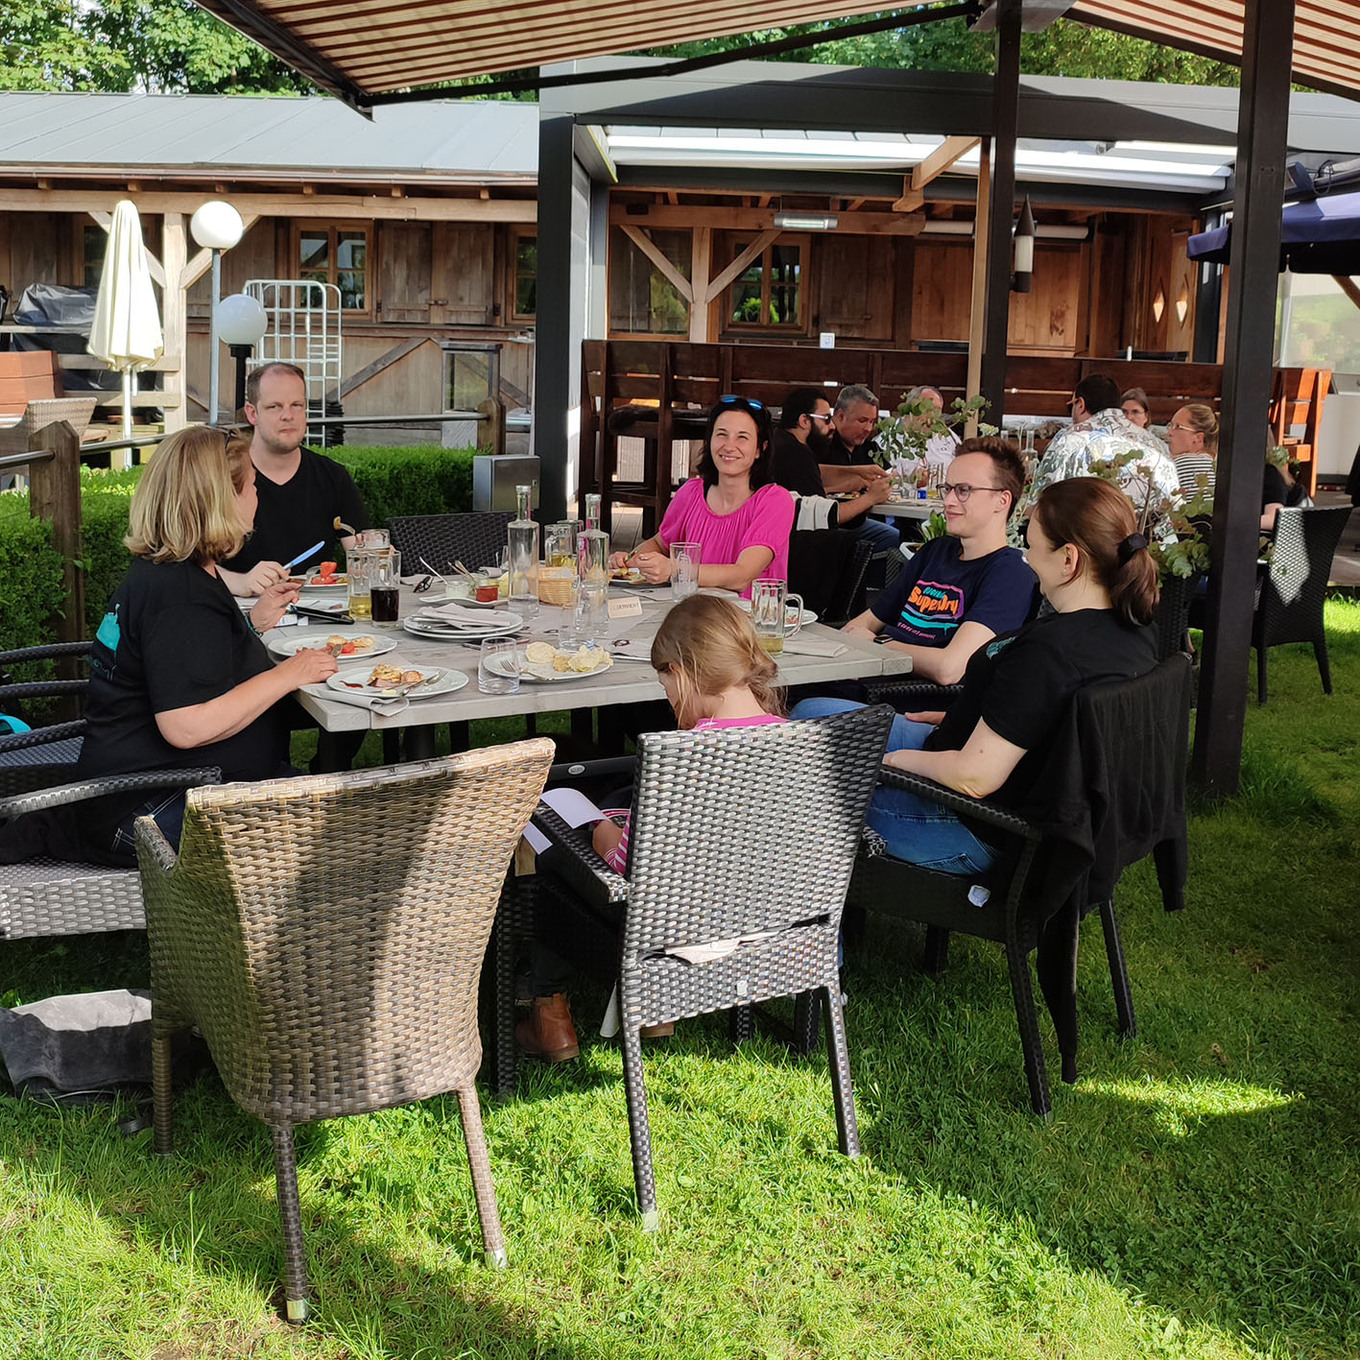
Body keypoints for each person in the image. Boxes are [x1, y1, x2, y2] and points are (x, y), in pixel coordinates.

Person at [517, 595, 788, 1062]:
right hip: (766, 926)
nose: (667, 698)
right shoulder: (795, 740)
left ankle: (549, 1014)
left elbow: (626, 869)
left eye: (665, 685)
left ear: (681, 673)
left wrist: (604, 833)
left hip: (667, 933)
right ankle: (655, 1015)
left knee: (540, 828)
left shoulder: (680, 759)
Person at [862, 476, 1160, 873]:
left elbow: (974, 778)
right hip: (1000, 777)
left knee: (811, 788)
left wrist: (894, 761)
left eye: (1033, 548)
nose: (1026, 559)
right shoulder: (1135, 631)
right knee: (817, 714)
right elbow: (1052, 728)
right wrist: (965, 718)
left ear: (1069, 559)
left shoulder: (1052, 652)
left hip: (980, 824)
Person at [72, 425, 339, 862]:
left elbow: (186, 665)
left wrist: (252, 625)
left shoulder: (177, 571)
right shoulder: (179, 595)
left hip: (159, 788)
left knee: (349, 811)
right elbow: (186, 726)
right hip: (146, 810)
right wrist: (289, 673)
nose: (258, 496)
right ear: (220, 500)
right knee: (351, 831)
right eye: (252, 486)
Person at [792, 437, 1037, 691]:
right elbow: (864, 623)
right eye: (948, 488)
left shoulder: (1009, 573)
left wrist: (878, 644)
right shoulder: (936, 551)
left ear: (1003, 500)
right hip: (864, 676)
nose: (949, 501)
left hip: (899, 701)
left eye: (964, 490)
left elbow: (949, 668)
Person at [608, 396, 794, 598]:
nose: (729, 446)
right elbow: (661, 543)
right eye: (721, 435)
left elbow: (742, 576)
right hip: (691, 614)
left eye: (742, 437)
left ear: (760, 449)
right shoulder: (691, 492)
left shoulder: (775, 500)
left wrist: (675, 569)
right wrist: (632, 560)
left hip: (748, 623)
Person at [217, 362, 368, 597]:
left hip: (318, 613)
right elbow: (182, 563)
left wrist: (376, 559)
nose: (288, 416)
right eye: (275, 407)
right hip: (236, 612)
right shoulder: (221, 476)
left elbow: (360, 555)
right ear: (252, 413)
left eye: (297, 405)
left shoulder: (333, 476)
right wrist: (241, 582)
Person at [1019, 373, 1179, 531]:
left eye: (1072, 404)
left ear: (1080, 404)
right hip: (1149, 544)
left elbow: (1039, 504)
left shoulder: (1071, 438)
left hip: (1087, 544)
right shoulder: (1156, 444)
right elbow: (1173, 505)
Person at [770, 386, 891, 531]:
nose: (833, 425)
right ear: (804, 421)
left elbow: (810, 482)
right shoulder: (797, 454)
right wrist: (871, 498)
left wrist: (856, 473)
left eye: (872, 422)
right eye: (827, 419)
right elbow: (821, 516)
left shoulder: (780, 441)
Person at [820, 384, 899, 556]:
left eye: (872, 422)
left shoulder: (869, 446)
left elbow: (891, 475)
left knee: (897, 538)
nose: (868, 429)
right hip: (830, 522)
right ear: (840, 416)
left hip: (862, 520)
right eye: (862, 421)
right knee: (892, 538)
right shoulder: (822, 444)